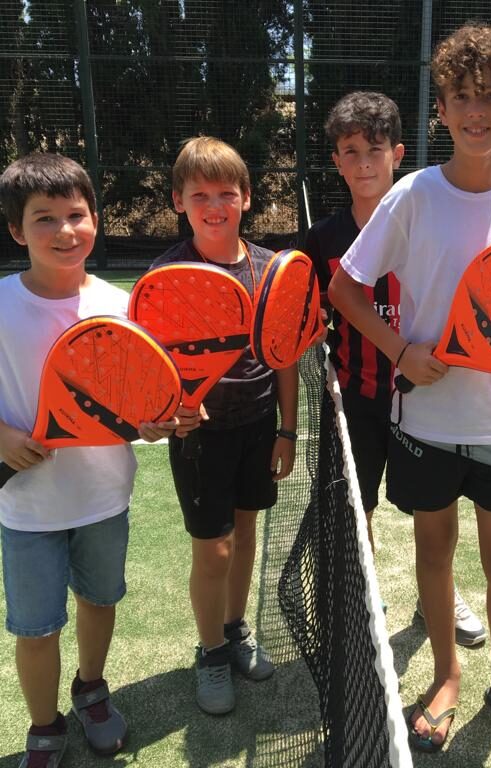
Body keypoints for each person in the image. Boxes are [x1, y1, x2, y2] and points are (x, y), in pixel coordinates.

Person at [328, 24, 491, 755]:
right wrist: (403, 349)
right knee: (434, 552)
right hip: (423, 420)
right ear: (441, 107)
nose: (476, 112)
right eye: (462, 96)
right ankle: (447, 677)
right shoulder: (413, 195)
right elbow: (345, 288)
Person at [0, 153, 181, 767]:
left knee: (99, 601)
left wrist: (156, 425)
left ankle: (91, 690)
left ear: (96, 221)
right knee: (35, 627)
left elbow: (138, 407)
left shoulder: (123, 306)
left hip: (105, 496)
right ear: (17, 231)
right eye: (44, 219)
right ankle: (45, 726)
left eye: (76, 215)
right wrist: (1, 436)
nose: (64, 230)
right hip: (25, 506)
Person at [303, 90, 486, 646]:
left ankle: (442, 596)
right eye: (350, 150)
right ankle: (361, 592)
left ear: (398, 153)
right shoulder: (320, 242)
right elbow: (310, 322)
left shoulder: (432, 224)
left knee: (435, 513)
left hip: (426, 398)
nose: (363, 162)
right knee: (355, 510)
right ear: (336, 160)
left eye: (374, 149)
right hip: (355, 398)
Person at [152, 137, 299, 715]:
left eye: (227, 194)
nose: (215, 206)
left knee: (244, 537)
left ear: (247, 198)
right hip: (199, 439)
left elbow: (283, 354)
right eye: (200, 195)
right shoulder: (166, 273)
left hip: (259, 424)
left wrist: (287, 430)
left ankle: (235, 631)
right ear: (178, 202)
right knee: (211, 550)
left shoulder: (268, 267)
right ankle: (210, 651)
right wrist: (172, 408)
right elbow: (152, 360)